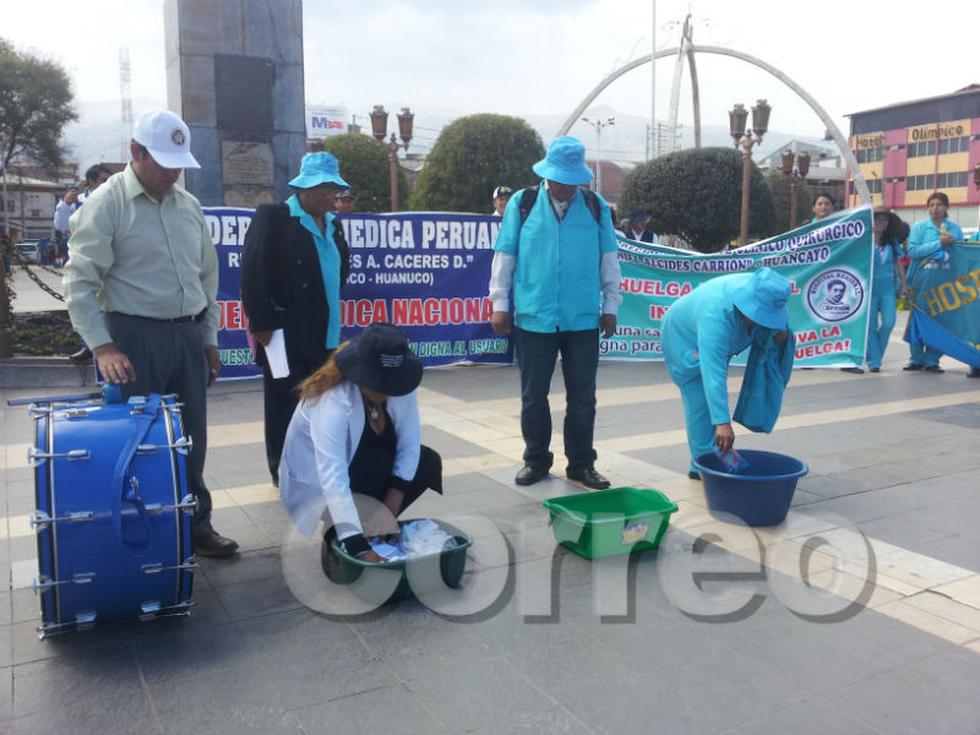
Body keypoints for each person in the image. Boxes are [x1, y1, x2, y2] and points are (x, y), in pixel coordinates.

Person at [63, 109, 238, 558]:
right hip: (132, 338)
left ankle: (197, 526)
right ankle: (146, 531)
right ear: (135, 153)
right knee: (138, 441)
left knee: (191, 438)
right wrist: (101, 346)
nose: (173, 172)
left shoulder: (188, 206)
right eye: (163, 161)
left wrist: (209, 338)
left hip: (187, 337)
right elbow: (79, 281)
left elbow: (206, 279)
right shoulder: (107, 204)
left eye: (179, 163)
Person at [489, 136, 622, 489]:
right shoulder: (523, 203)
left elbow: (609, 260)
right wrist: (499, 304)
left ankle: (581, 464)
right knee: (534, 396)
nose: (566, 188)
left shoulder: (596, 207)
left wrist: (610, 306)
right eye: (561, 180)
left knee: (583, 396)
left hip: (582, 319)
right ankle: (536, 460)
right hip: (534, 316)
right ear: (548, 175)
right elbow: (505, 256)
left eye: (573, 181)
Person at [278, 323, 443, 565]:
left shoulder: (400, 383)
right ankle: (340, 534)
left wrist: (389, 507)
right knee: (374, 462)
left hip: (360, 471)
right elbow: (332, 475)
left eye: (392, 383)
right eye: (380, 383)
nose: (388, 390)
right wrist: (359, 550)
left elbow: (410, 444)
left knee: (426, 462)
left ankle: (372, 526)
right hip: (318, 486)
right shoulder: (333, 400)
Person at [241, 152, 352, 485]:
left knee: (322, 398)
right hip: (283, 330)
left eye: (334, 189)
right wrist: (260, 321)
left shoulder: (334, 224)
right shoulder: (275, 216)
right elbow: (253, 269)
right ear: (304, 188)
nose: (331, 196)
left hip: (325, 326)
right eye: (323, 188)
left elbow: (340, 267)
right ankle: (284, 470)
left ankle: (318, 463)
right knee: (284, 402)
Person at [662, 268, 791, 479]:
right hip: (683, 339)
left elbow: (775, 317)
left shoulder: (767, 287)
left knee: (711, 401)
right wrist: (722, 422)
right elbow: (714, 372)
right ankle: (702, 467)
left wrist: (779, 331)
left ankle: (710, 460)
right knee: (699, 400)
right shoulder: (715, 316)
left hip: (719, 333)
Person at [904, 191, 964, 373]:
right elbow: (913, 251)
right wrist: (939, 243)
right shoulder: (920, 227)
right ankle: (916, 358)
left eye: (939, 205)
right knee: (918, 319)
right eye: (931, 205)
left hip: (945, 283)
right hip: (921, 281)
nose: (935, 209)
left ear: (946, 207)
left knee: (942, 321)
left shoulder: (955, 229)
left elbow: (960, 255)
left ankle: (932, 360)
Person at [842, 207, 907, 374]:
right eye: (877, 220)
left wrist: (904, 285)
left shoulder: (892, 242)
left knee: (889, 322)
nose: (880, 223)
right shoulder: (864, 240)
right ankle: (874, 361)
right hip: (868, 289)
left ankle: (874, 354)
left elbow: (899, 263)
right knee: (870, 326)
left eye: (884, 220)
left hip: (888, 289)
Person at [68, 164, 115, 363]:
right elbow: (60, 225)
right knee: (85, 300)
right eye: (104, 181)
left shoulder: (116, 201)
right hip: (84, 258)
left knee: (109, 302)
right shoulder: (79, 202)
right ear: (92, 183)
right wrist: (65, 205)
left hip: (109, 261)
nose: (108, 184)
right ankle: (88, 346)